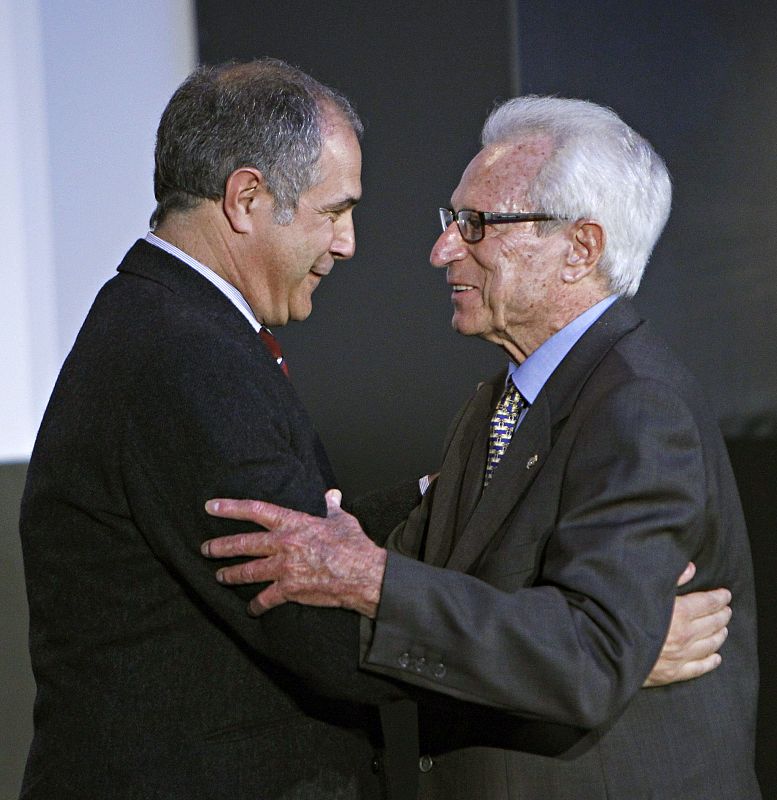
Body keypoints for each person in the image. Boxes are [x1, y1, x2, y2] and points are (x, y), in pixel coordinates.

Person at [19, 59, 728, 798]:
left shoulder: (167, 328)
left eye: (475, 225)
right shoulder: (185, 355)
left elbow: (316, 549)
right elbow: (321, 622)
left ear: (580, 248)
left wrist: (582, 640)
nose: (349, 243)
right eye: (334, 211)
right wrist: (596, 657)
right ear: (246, 199)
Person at [201, 96, 760, 799]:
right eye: (450, 221)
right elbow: (438, 588)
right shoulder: (498, 403)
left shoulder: (636, 408)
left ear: (580, 249)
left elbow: (591, 653)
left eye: (476, 225)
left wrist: (371, 580)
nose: (442, 250)